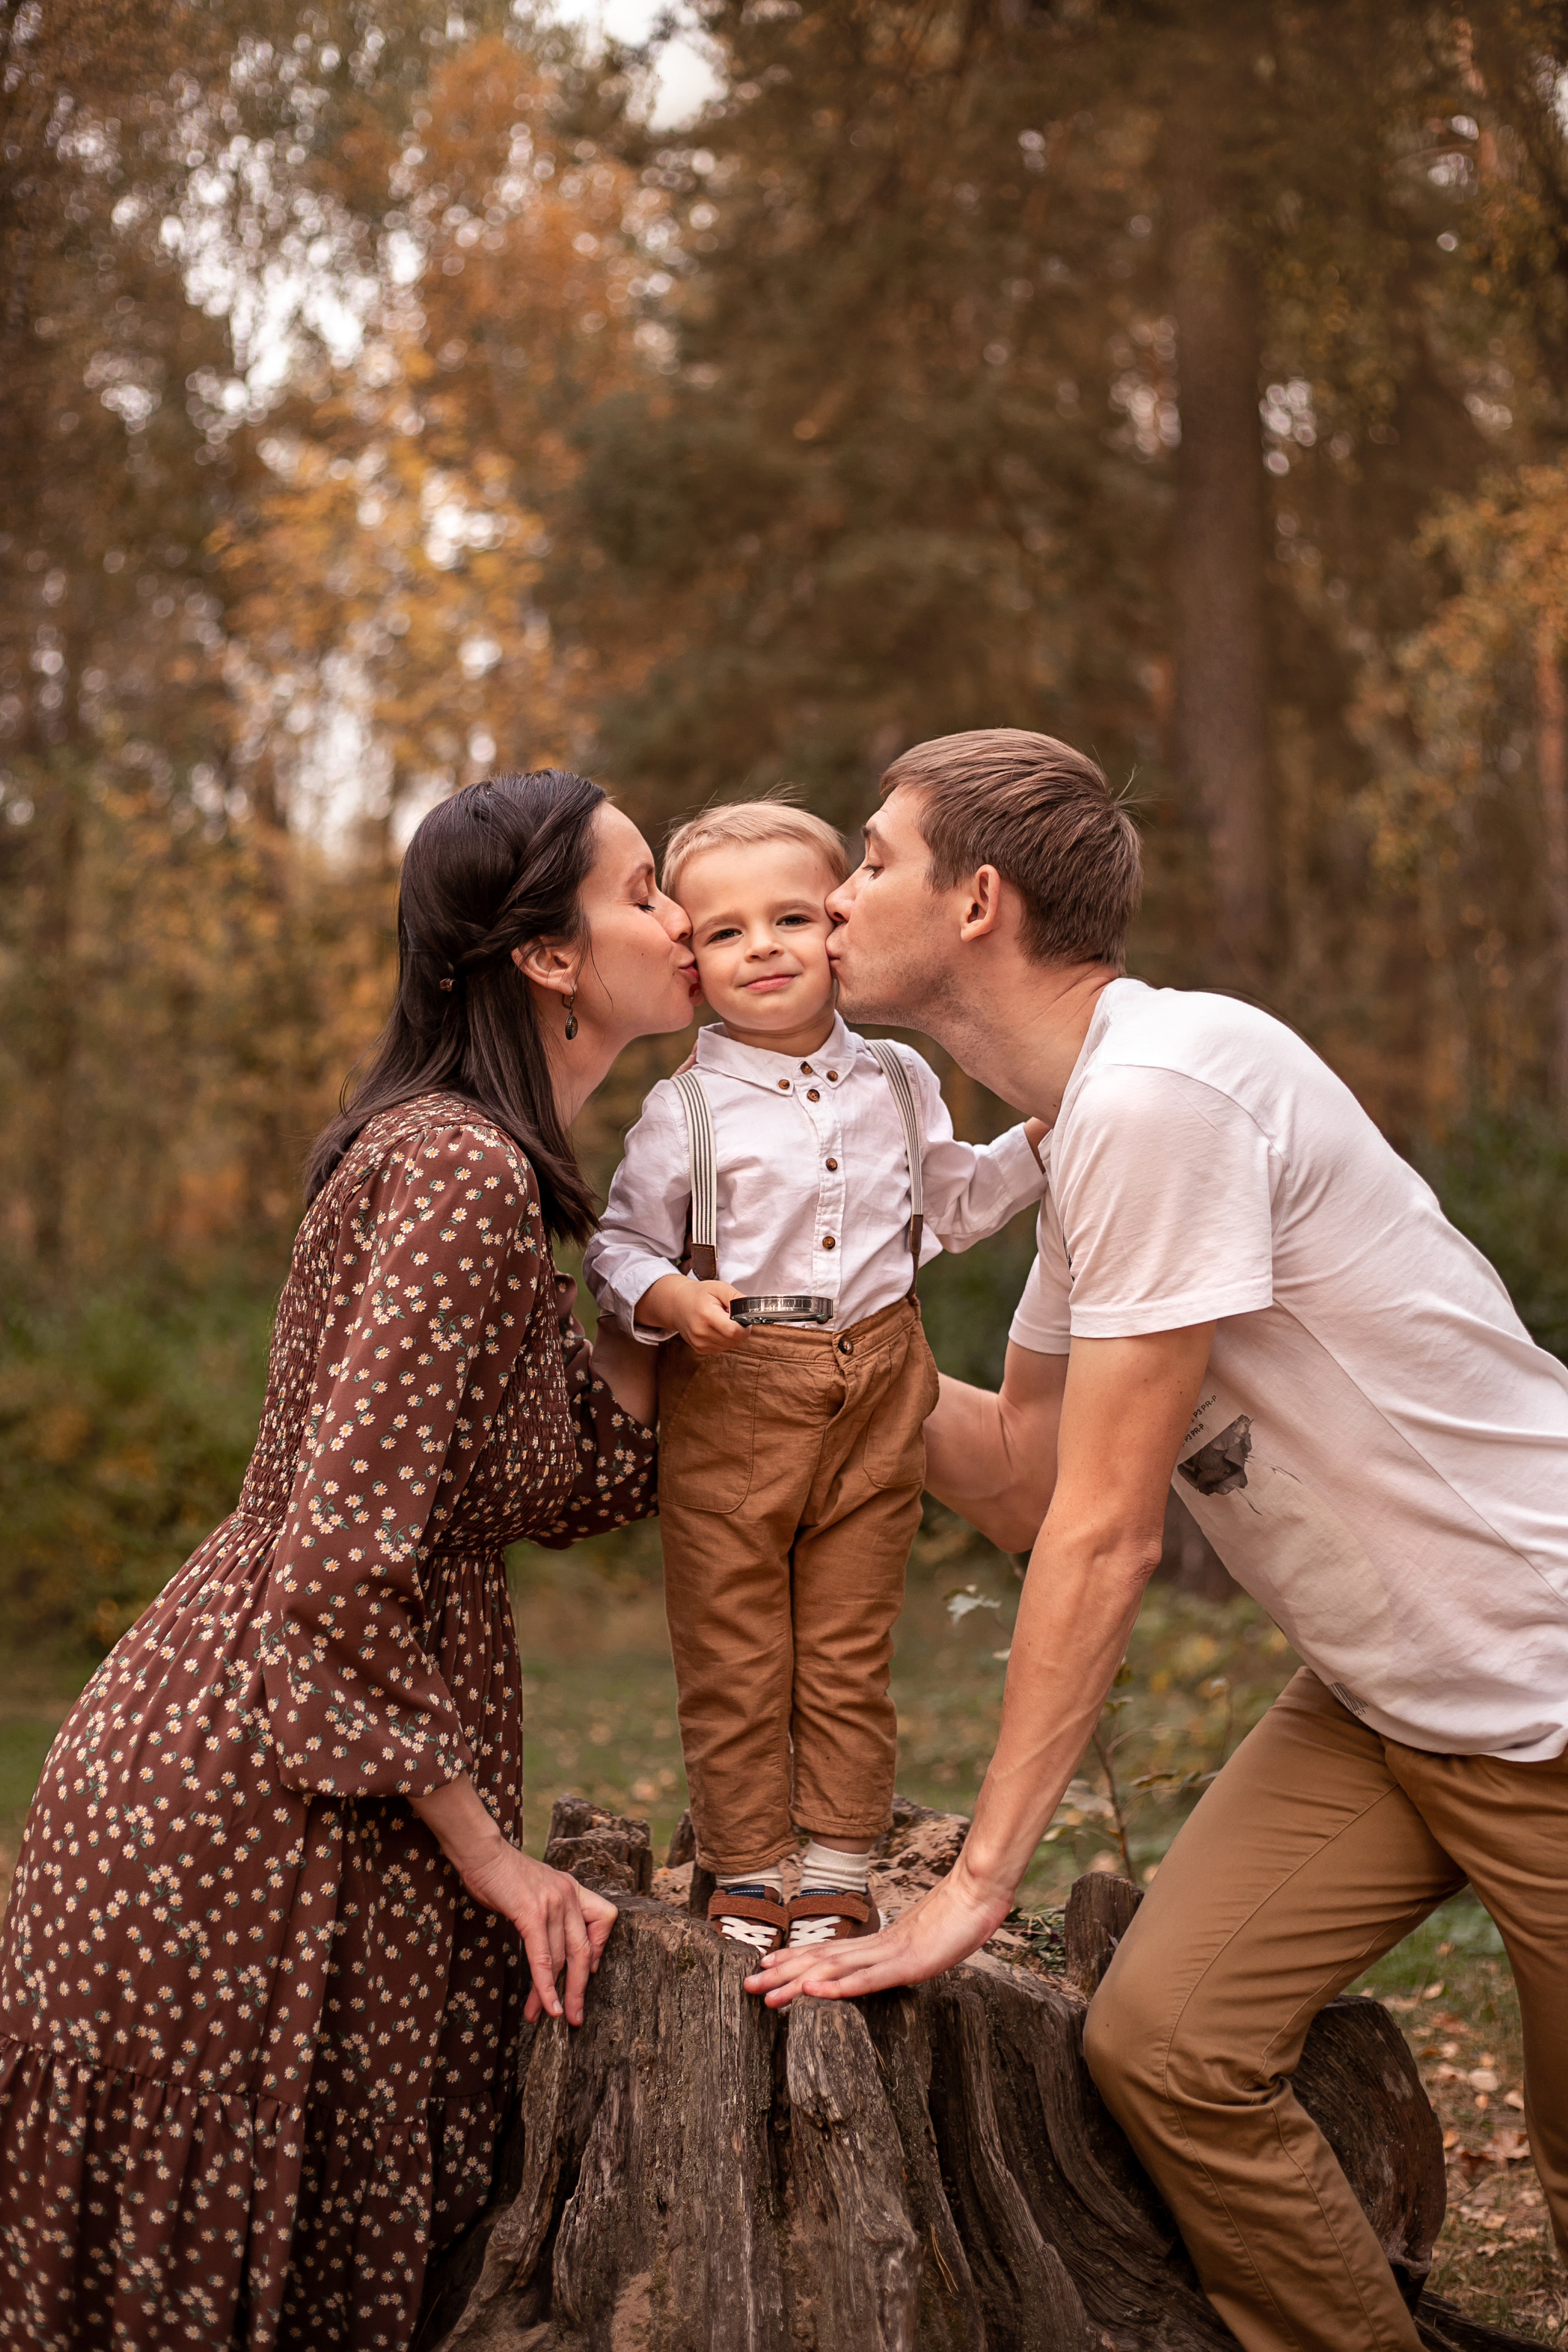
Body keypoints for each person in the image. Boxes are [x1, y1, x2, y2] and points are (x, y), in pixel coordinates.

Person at [746, 728, 1568, 2352]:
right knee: (1172, 2048)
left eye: (870, 863)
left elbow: (1108, 1537)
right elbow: (1025, 1469)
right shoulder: (1089, 1133)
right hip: (1391, 1700)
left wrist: (977, 1890)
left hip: (1544, 1680)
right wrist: (782, 1343)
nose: (830, 904)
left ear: (977, 903)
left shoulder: (1162, 1097)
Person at [0, 770, 699, 2352]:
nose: (686, 921)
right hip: (254, 1803)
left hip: (303, 1743)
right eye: (647, 888)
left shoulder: (496, 1175)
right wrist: (494, 1857)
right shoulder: (456, 1171)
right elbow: (334, 1567)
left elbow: (582, 1471)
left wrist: (664, 1253)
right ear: (549, 956)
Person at [582, 801, 1046, 1956]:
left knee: (847, 1642)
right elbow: (618, 1246)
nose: (767, 947)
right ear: (693, 958)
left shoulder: (897, 1077)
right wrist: (670, 1299)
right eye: (729, 932)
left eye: (793, 916)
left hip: (884, 1376)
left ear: (839, 925)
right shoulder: (681, 1107)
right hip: (737, 1384)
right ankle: (746, 1865)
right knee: (735, 1644)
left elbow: (956, 1204)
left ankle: (838, 1864)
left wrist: (1049, 1137)